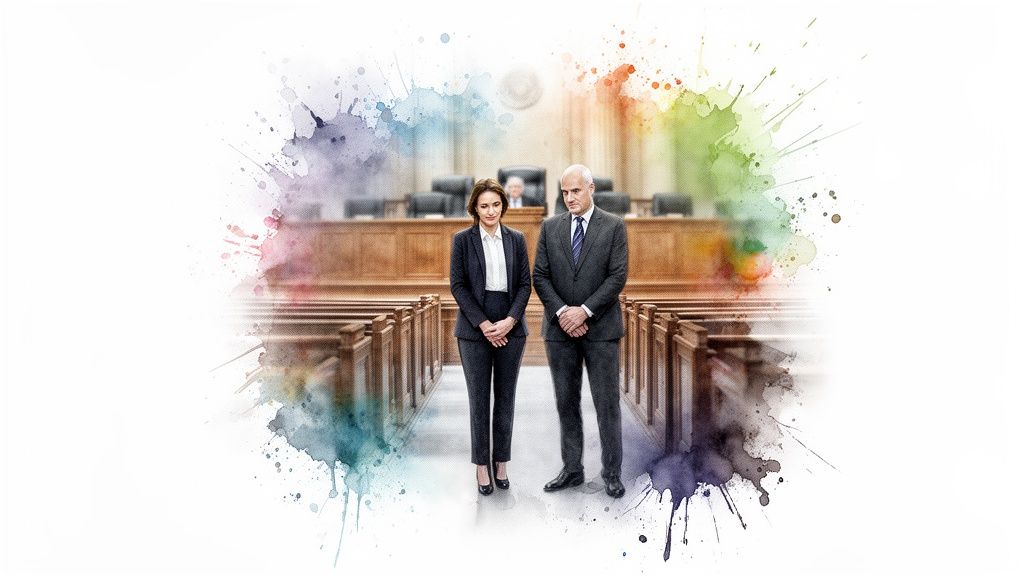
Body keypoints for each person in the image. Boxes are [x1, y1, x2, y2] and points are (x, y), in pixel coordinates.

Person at [532, 164, 629, 498]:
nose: (569, 197)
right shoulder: (549, 227)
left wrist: (584, 311)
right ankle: (572, 469)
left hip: (601, 329)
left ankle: (612, 472)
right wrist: (563, 313)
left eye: (575, 190)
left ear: (591, 188)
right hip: (559, 332)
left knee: (607, 403)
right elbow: (540, 277)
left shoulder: (614, 226)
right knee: (566, 402)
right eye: (564, 192)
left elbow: (617, 277)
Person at [450, 178, 532, 495]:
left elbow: (525, 284)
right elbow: (458, 286)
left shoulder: (517, 239)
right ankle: (482, 467)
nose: (491, 211)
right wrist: (484, 324)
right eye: (484, 206)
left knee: (506, 400)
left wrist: (510, 320)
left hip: (511, 325)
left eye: (496, 205)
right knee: (479, 400)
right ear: (475, 208)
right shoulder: (462, 241)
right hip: (474, 328)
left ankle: (501, 462)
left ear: (503, 206)